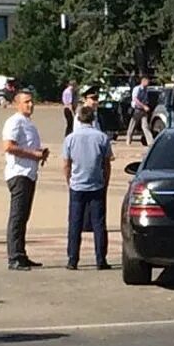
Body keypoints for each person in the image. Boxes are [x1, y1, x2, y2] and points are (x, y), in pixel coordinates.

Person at [62, 105, 114, 270]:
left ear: (78, 118)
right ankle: (101, 259)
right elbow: (106, 163)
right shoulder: (101, 138)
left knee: (75, 223)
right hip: (96, 184)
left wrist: (69, 180)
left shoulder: (70, 138)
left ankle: (72, 259)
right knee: (99, 223)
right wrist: (105, 181)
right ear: (93, 119)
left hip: (77, 185)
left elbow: (66, 163)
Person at [1, 91, 49, 271]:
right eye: (26, 102)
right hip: (19, 173)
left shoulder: (28, 123)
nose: (30, 105)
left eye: (31, 102)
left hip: (29, 173)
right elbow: (8, 146)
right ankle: (14, 257)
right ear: (17, 104)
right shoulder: (15, 121)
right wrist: (34, 154)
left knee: (23, 216)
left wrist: (40, 154)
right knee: (17, 215)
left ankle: (20, 254)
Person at [125, 76, 154, 146]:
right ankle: (128, 140)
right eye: (147, 82)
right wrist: (143, 106)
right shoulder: (137, 89)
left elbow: (146, 99)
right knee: (132, 125)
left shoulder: (145, 90)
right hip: (137, 109)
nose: (148, 84)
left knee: (145, 126)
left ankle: (151, 142)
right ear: (143, 81)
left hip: (143, 111)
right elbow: (135, 99)